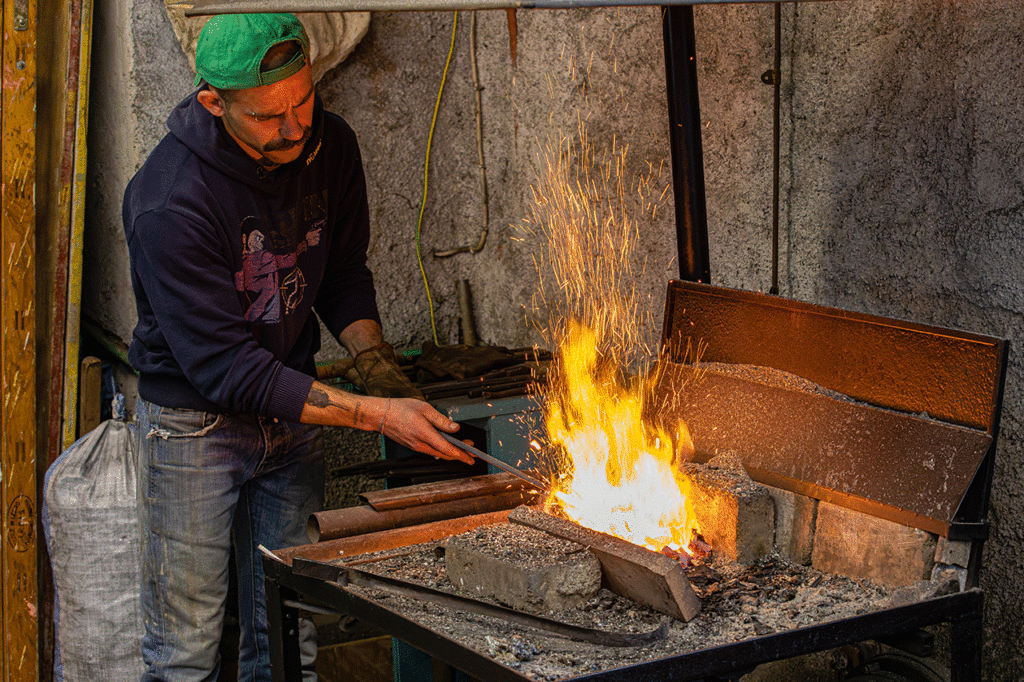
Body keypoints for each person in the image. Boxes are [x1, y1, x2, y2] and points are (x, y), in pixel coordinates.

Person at [121, 13, 473, 682]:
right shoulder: (169, 202)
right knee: (186, 647)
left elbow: (340, 272)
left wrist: (380, 374)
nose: (294, 127)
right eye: (267, 117)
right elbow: (227, 369)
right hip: (196, 426)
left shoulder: (330, 146)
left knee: (288, 629)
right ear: (213, 103)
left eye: (303, 100)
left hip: (292, 410)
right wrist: (373, 416)